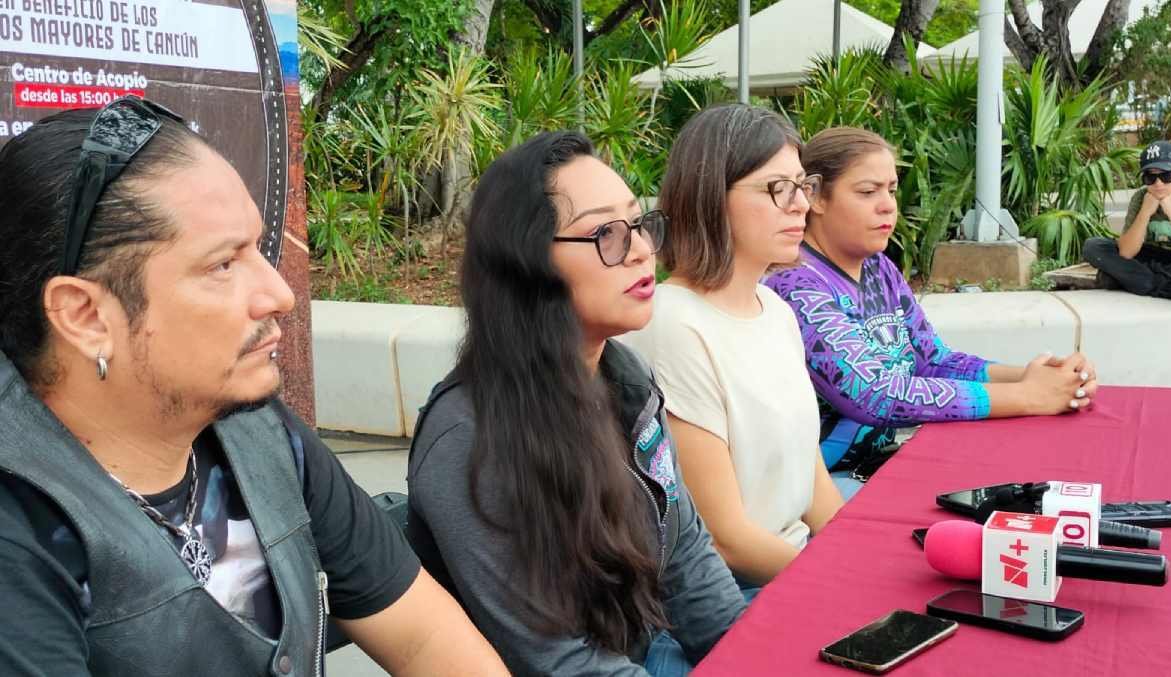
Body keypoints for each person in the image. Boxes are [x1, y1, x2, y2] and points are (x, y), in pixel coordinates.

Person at [0, 97, 506, 676]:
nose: (278, 295)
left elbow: (424, 637)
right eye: (222, 265)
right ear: (86, 315)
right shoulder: (20, 529)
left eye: (258, 250)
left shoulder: (258, 433)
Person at [405, 131, 747, 676]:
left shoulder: (624, 377)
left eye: (638, 224)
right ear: (528, 262)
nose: (640, 249)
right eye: (605, 232)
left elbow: (685, 555)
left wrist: (750, 659)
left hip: (637, 651)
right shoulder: (471, 438)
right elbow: (555, 661)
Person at [765, 127, 1099, 497]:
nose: (888, 205)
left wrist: (1037, 377)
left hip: (878, 466)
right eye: (867, 192)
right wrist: (1028, 396)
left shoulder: (878, 268)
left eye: (890, 190)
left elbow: (933, 359)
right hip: (819, 489)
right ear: (814, 197)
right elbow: (876, 395)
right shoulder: (795, 284)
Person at [620, 104, 844, 586]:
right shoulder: (673, 324)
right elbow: (724, 539)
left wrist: (859, 560)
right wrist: (839, 585)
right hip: (735, 592)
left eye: (803, 186)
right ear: (711, 197)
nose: (802, 205)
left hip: (796, 563)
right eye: (776, 189)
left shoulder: (777, 312)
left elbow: (815, 486)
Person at [1082, 140, 1171, 307]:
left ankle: (1130, 280)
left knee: (1109, 278)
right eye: (1150, 177)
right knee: (1093, 246)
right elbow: (1126, 253)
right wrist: (1145, 212)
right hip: (1150, 256)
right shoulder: (1141, 198)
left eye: (1166, 176)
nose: (1158, 183)